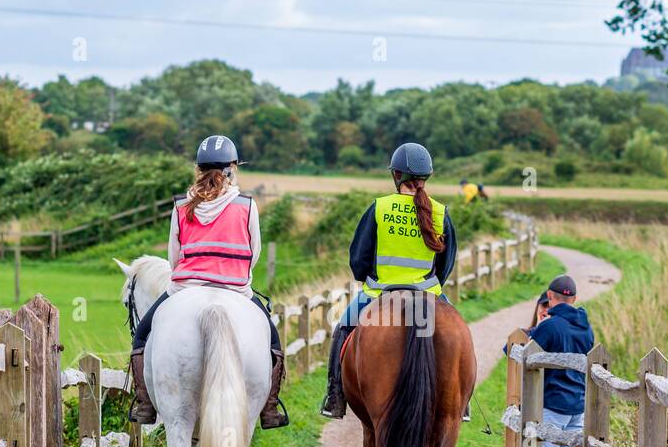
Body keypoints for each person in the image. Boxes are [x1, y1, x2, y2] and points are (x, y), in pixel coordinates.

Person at [128, 134, 289, 429]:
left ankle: (144, 403)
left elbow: (173, 257)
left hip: (185, 286)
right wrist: (237, 277)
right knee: (273, 341)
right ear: (232, 168)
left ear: (199, 169)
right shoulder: (247, 205)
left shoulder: (181, 205)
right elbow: (255, 253)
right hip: (236, 288)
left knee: (141, 335)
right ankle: (269, 408)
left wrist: (189, 276)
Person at [320, 142, 459, 418]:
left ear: (396, 175)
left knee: (344, 327)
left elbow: (358, 259)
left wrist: (368, 277)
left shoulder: (379, 208)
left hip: (379, 293)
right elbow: (447, 264)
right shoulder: (440, 212)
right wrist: (430, 284)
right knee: (456, 332)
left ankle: (334, 396)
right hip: (428, 293)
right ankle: (460, 399)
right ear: (426, 177)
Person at [523, 275, 593, 447]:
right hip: (577, 406)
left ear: (550, 296)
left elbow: (522, 351)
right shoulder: (586, 328)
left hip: (553, 404)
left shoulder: (550, 326)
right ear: (575, 299)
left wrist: (538, 326)